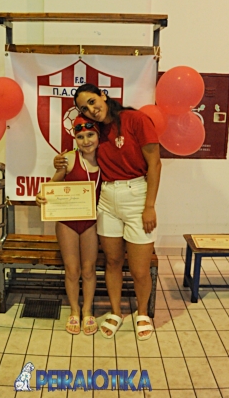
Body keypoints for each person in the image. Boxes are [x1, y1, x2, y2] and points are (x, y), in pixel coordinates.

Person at [54, 83, 161, 340]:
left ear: (103, 95)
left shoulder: (135, 119)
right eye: (84, 108)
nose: (90, 110)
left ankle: (142, 313)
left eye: (92, 101)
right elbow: (80, 150)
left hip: (137, 196)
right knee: (112, 262)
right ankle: (115, 312)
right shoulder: (96, 130)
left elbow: (155, 164)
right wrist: (60, 162)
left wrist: (149, 206)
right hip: (107, 198)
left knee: (139, 269)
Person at [36, 114, 102, 336]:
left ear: (98, 135)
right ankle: (74, 310)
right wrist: (41, 196)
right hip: (67, 223)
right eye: (80, 137)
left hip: (91, 222)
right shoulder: (69, 159)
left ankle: (87, 310)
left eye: (90, 135)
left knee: (89, 269)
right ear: (75, 139)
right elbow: (53, 185)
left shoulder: (106, 160)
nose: (86, 141)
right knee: (72, 270)